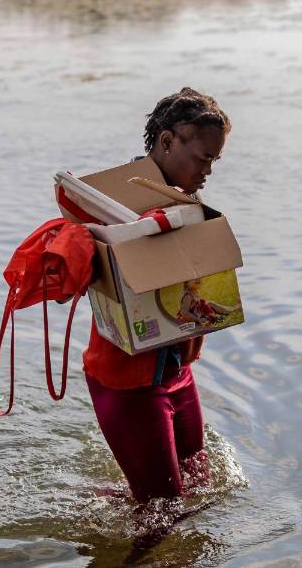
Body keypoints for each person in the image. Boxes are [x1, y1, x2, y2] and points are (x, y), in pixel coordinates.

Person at [82, 87, 231, 504]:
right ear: (167, 142)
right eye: (203, 158)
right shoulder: (111, 207)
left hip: (176, 373)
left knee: (201, 487)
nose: (208, 171)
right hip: (128, 384)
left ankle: (107, 502)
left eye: (215, 161)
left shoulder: (183, 202)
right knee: (162, 512)